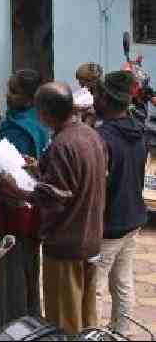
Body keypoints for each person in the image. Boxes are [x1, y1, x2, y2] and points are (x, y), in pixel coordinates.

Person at [0, 82, 107, 336]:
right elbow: (77, 179)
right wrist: (40, 167)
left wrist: (16, 190)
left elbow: (55, 198)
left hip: (66, 246)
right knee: (86, 317)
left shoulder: (62, 144)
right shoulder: (90, 135)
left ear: (45, 112)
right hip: (90, 239)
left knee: (64, 321)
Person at [0, 69, 49, 334]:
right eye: (8, 88)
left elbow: (10, 168)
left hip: (9, 216)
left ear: (29, 99)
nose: (7, 94)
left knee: (9, 278)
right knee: (24, 275)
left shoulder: (24, 129)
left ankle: (11, 332)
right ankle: (27, 328)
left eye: (14, 91)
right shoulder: (26, 122)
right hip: (22, 213)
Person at [92, 71, 148, 336]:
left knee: (95, 287)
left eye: (96, 95)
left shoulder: (103, 138)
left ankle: (90, 334)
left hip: (110, 225)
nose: (93, 99)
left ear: (106, 99)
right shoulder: (138, 131)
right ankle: (121, 332)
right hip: (133, 219)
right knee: (123, 282)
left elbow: (96, 187)